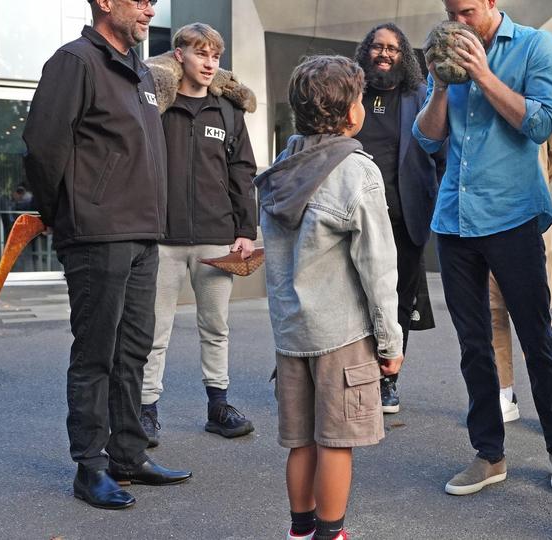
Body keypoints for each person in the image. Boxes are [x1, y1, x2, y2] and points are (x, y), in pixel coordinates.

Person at [22, 0, 191, 511]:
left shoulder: (139, 71)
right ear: (103, 2)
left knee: (133, 349)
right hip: (97, 233)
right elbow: (42, 148)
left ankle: (127, 454)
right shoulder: (75, 61)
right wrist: (65, 214)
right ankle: (90, 467)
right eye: (139, 0)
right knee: (96, 353)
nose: (149, 8)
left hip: (143, 233)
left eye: (153, 3)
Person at [413, 0, 552, 496]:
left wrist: (483, 76)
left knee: (536, 336)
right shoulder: (445, 53)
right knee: (473, 345)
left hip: (513, 214)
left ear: (492, 2)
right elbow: (426, 139)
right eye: (451, 12)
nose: (456, 22)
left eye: (466, 11)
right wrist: (443, 85)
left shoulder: (536, 46)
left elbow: (541, 124)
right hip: (455, 218)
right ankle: (489, 455)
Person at [256, 55, 405, 540]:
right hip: (341, 333)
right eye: (360, 99)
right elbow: (378, 267)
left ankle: (300, 531)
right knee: (336, 443)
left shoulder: (283, 165)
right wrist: (390, 341)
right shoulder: (355, 171)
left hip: (291, 332)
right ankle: (332, 533)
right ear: (350, 113)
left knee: (300, 442)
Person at [139, 22, 258, 448]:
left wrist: (246, 230)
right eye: (201, 54)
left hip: (215, 237)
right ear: (178, 57)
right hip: (162, 238)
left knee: (216, 326)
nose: (209, 64)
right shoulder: (155, 106)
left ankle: (218, 406)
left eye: (215, 56)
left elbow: (243, 172)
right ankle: (147, 410)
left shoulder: (228, 112)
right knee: (154, 330)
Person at [353, 23, 446, 414]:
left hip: (405, 216)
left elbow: (439, 155)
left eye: (392, 48)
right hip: (355, 216)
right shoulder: (352, 92)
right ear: (366, 51)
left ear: (403, 54)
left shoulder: (420, 96)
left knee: (398, 300)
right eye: (377, 47)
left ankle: (388, 380)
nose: (384, 54)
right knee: (357, 297)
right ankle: (357, 374)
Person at [493, 115, 552, 423]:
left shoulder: (537, 78)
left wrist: (535, 179)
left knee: (538, 315)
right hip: (488, 213)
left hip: (530, 213)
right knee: (492, 308)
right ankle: (503, 392)